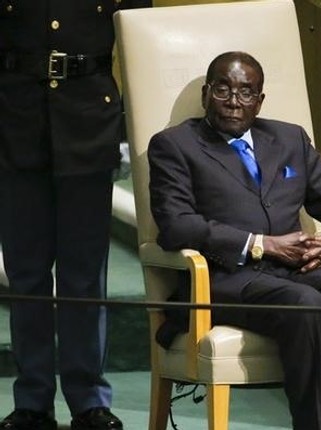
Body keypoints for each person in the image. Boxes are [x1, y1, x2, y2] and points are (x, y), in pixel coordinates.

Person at [148, 51, 321, 430]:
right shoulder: (174, 145)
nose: (234, 102)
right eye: (223, 89)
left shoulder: (288, 139)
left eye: (246, 92)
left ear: (260, 100)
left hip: (295, 269)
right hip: (224, 277)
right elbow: (176, 225)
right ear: (206, 93)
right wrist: (261, 244)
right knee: (305, 304)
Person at [0, 1, 150, 429]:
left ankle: (88, 399)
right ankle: (32, 398)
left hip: (89, 121)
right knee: (26, 273)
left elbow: (139, 37)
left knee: (83, 274)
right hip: (15, 123)